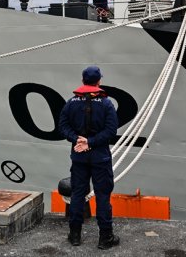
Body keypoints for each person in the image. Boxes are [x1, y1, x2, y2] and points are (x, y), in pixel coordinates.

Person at [58, 66, 120, 250]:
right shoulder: (107, 104)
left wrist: (77, 139)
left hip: (79, 156)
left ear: (83, 80)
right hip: (100, 157)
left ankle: (75, 235)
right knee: (102, 196)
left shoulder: (71, 103)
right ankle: (105, 237)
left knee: (77, 194)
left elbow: (62, 127)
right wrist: (90, 142)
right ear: (99, 81)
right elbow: (111, 131)